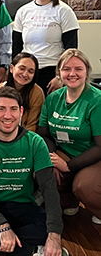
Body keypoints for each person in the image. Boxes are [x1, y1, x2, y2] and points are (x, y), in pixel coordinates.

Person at [0, 86, 67, 256]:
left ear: (21, 112)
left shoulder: (36, 142)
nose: (8, 115)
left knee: (52, 225)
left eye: (13, 109)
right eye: (1, 109)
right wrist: (2, 225)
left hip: (23, 205)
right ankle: (32, 251)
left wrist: (55, 235)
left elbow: (49, 189)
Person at [38, 48, 101, 225]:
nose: (72, 73)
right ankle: (67, 199)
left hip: (94, 156)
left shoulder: (97, 100)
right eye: (66, 69)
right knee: (44, 171)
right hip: (65, 151)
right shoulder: (52, 98)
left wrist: (68, 166)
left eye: (78, 69)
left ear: (87, 71)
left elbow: (100, 147)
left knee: (86, 187)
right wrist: (52, 159)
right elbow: (44, 134)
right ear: (59, 72)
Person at [13, 0, 79, 96]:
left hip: (52, 74)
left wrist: (61, 77)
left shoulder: (64, 11)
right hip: (27, 74)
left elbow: (71, 50)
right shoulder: (23, 11)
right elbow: (17, 48)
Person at [0, 52, 45, 132]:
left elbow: (32, 126)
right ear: (12, 68)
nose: (25, 74)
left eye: (30, 71)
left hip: (26, 139)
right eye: (22, 68)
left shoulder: (37, 93)